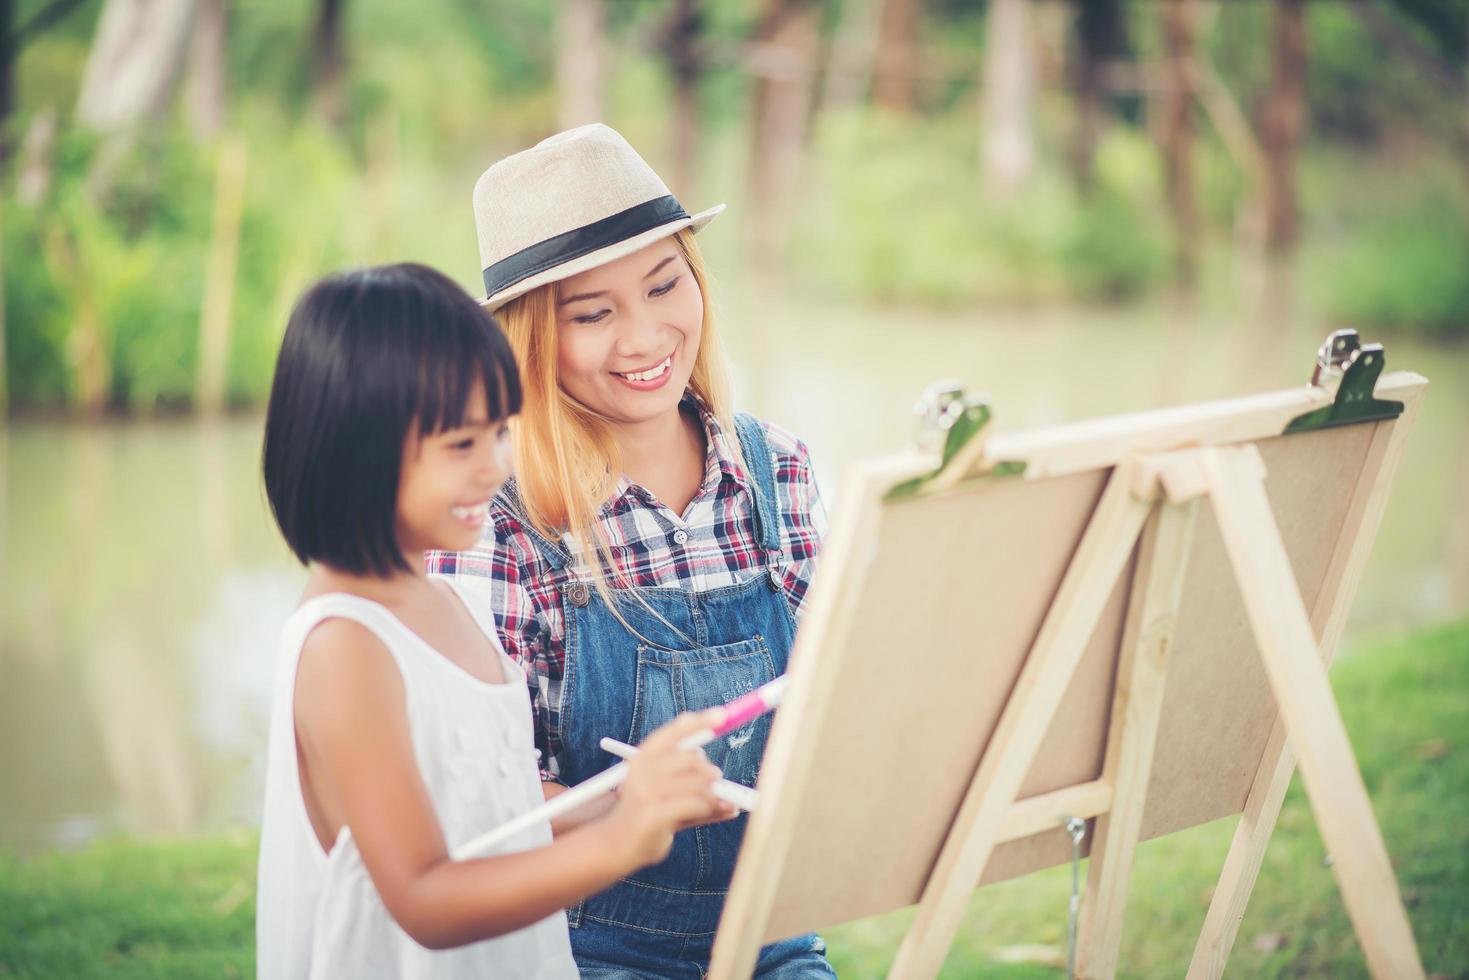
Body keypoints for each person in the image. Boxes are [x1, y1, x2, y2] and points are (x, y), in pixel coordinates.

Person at [428, 125, 835, 977]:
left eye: (663, 286)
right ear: (533, 337)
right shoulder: (495, 521)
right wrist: (631, 804)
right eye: (593, 313)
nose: (645, 337)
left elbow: (830, 710)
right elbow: (490, 802)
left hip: (774, 927)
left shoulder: (779, 471)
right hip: (590, 943)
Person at [255, 263, 734, 979]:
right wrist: (621, 841)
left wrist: (630, 799)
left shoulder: (442, 598)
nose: (494, 468)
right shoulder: (345, 645)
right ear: (353, 449)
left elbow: (494, 808)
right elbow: (424, 897)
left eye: (499, 433)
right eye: (460, 446)